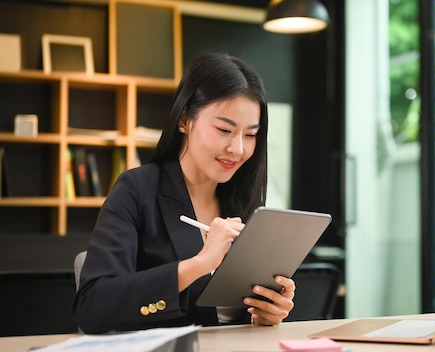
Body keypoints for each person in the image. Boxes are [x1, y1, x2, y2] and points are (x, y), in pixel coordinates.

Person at [73, 52, 296, 334]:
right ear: (184, 119)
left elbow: (235, 315)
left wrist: (266, 311)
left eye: (250, 135)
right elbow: (92, 308)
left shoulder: (245, 203)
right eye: (224, 129)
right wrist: (199, 264)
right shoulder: (137, 190)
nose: (238, 149)